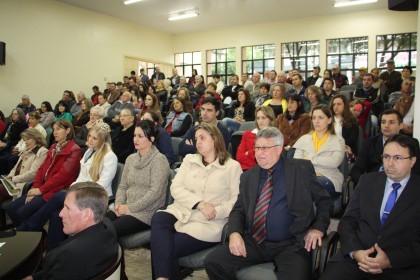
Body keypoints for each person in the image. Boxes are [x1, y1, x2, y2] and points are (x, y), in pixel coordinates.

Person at [205, 127, 331, 280]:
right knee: (213, 262)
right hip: (255, 242)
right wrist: (234, 233)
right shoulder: (248, 176)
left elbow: (324, 200)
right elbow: (239, 210)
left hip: (291, 244)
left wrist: (318, 228)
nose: (259, 153)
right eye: (257, 148)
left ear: (278, 149)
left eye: (264, 148)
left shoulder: (301, 169)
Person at [320, 134, 420, 280]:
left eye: (397, 158)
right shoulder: (368, 181)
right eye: (386, 157)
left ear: (412, 161)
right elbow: (348, 221)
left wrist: (390, 260)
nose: (390, 163)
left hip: (398, 266)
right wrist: (356, 252)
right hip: (356, 258)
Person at [151, 123, 242, 280]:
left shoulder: (232, 166)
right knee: (159, 218)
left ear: (215, 140)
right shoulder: (189, 159)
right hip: (183, 210)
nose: (197, 142)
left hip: (208, 222)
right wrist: (200, 204)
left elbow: (236, 200)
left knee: (164, 247)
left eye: (202, 138)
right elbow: (176, 188)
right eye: (196, 138)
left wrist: (215, 211)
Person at [17, 122, 118, 250]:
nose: (90, 140)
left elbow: (101, 185)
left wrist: (75, 191)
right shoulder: (89, 152)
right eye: (89, 137)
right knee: (56, 215)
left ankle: (30, 226)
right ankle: (53, 252)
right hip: (82, 191)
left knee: (59, 196)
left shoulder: (110, 157)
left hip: (97, 196)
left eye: (94, 138)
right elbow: (81, 177)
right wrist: (74, 188)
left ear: (103, 139)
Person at [107, 120, 170, 279]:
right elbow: (122, 186)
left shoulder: (159, 160)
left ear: (151, 138)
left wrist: (130, 208)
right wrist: (120, 204)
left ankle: (119, 277)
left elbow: (154, 193)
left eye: (140, 136)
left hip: (146, 213)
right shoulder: (130, 159)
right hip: (126, 207)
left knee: (110, 231)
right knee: (101, 224)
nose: (135, 139)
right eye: (135, 135)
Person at [23, 183, 118, 280]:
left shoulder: (69, 257)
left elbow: (63, 269)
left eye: (67, 208)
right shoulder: (107, 226)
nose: (60, 214)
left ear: (86, 214)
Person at [5, 120, 82, 227]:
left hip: (55, 190)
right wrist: (35, 188)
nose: (55, 132)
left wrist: (40, 190)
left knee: (22, 213)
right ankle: (31, 233)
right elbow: (42, 169)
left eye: (58, 129)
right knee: (11, 209)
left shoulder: (75, 150)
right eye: (54, 129)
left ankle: (31, 236)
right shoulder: (53, 147)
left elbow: (62, 176)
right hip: (42, 187)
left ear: (68, 130)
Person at [349, 109, 420, 184]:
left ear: (401, 125)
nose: (386, 125)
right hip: (374, 184)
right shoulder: (369, 143)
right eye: (383, 122)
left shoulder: (411, 143)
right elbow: (356, 171)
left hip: (401, 185)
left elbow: (416, 171)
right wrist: (368, 185)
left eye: (391, 122)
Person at [294, 105, 345, 198]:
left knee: (308, 185)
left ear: (329, 120)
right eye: (314, 118)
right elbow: (297, 162)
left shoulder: (338, 140)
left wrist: (309, 158)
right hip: (305, 177)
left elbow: (334, 162)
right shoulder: (304, 139)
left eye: (320, 118)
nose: (316, 121)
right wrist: (320, 160)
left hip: (329, 178)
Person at [0, 129, 48, 203]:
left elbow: (33, 174)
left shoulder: (43, 152)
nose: (26, 142)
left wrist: (13, 179)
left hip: (24, 184)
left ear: (36, 138)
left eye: (28, 139)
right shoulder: (26, 149)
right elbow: (15, 168)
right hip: (14, 182)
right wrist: (9, 176)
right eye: (25, 140)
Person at [236, 106, 276, 170]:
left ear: (270, 119)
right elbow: (239, 157)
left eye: (263, 118)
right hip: (246, 171)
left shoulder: (276, 136)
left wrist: (248, 153)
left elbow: (270, 159)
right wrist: (256, 166)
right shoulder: (247, 134)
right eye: (258, 118)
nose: (260, 121)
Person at [330, 94, 360, 160]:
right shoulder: (327, 120)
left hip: (344, 149)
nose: (336, 106)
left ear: (345, 106)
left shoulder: (352, 121)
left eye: (339, 104)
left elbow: (352, 140)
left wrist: (336, 144)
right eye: (334, 104)